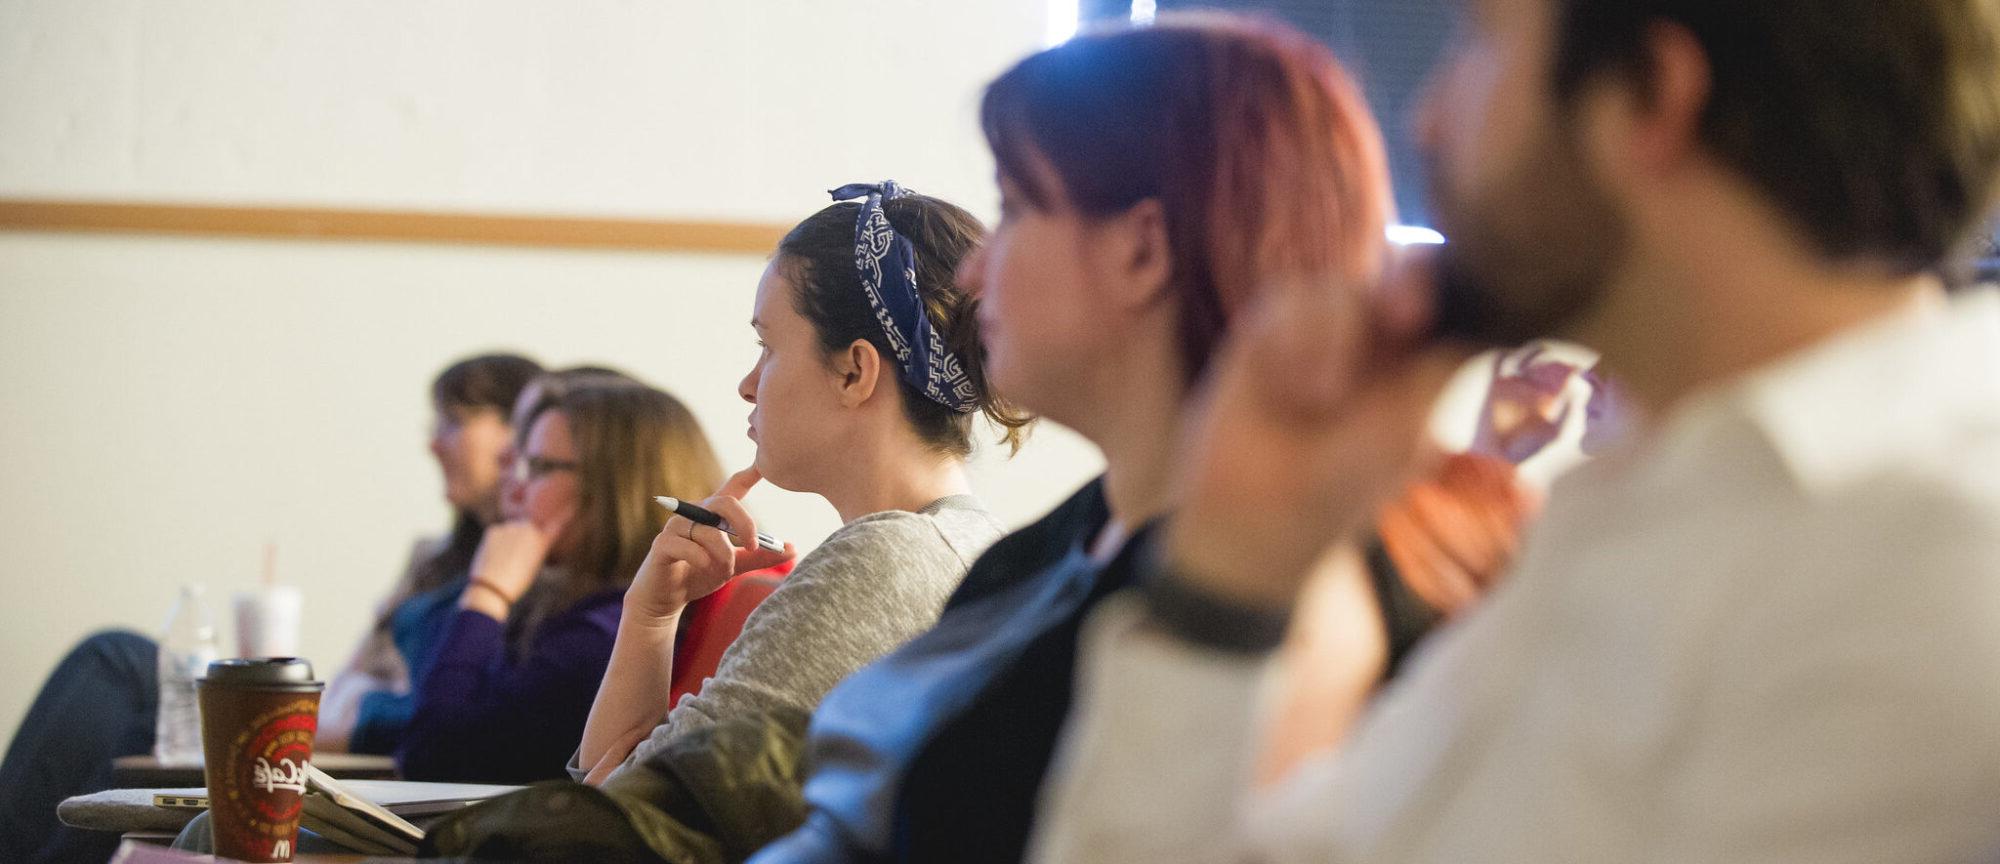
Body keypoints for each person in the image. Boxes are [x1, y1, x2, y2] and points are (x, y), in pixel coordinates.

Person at [1030, 0, 2000, 860]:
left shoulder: (1926, 569)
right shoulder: (1631, 506)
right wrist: (1231, 573)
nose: (1428, 116)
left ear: (1648, 98)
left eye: (1478, 42)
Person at [746, 17, 1397, 864]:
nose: (976, 275)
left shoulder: (1274, 617)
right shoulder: (1039, 556)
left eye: (1016, 209)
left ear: (1143, 249)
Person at [0, 351, 540, 864]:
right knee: (140, 717)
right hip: (326, 746)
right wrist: (358, 703)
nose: (433, 444)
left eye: (453, 422)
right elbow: (343, 686)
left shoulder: (522, 578)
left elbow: (425, 709)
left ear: (517, 431)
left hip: (366, 785)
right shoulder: (434, 562)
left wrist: (364, 709)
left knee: (118, 661)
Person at [572, 184, 1024, 786]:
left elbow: (618, 825)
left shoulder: (880, 563)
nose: (748, 384)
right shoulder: (977, 544)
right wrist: (652, 616)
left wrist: (646, 619)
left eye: (767, 346)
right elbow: (625, 808)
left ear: (854, 371)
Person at [396, 379, 724, 783]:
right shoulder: (575, 607)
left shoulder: (600, 634)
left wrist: (487, 593)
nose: (514, 489)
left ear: (612, 486)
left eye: (539, 468)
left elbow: (432, 758)